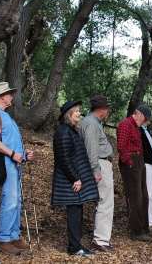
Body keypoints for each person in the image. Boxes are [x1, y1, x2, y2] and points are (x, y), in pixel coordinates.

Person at [0, 82, 34, 255]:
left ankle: (13, 235)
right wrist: (13, 154)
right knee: (10, 200)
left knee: (17, 201)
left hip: (15, 163)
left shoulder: (7, 116)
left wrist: (23, 153)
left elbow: (10, 140)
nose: (12, 96)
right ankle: (3, 238)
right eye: (10, 94)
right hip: (6, 163)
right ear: (2, 96)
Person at [51, 101, 99, 256]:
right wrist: (75, 178)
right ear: (68, 114)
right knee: (74, 214)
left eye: (79, 110)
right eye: (76, 111)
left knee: (77, 212)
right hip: (70, 183)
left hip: (73, 181)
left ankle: (76, 245)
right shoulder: (63, 131)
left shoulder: (70, 131)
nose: (79, 113)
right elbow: (64, 158)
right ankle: (74, 247)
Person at [79, 95, 116, 253]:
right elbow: (91, 148)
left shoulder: (93, 122)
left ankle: (101, 238)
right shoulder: (91, 124)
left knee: (104, 201)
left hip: (102, 163)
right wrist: (95, 170)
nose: (108, 110)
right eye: (106, 107)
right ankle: (100, 240)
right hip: (100, 164)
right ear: (101, 109)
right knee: (105, 202)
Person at [116, 105, 152, 242]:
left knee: (144, 196)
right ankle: (136, 231)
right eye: (144, 118)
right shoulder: (125, 124)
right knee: (135, 197)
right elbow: (121, 146)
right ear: (138, 114)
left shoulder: (136, 126)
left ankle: (144, 228)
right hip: (131, 161)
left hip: (139, 159)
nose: (144, 121)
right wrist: (129, 162)